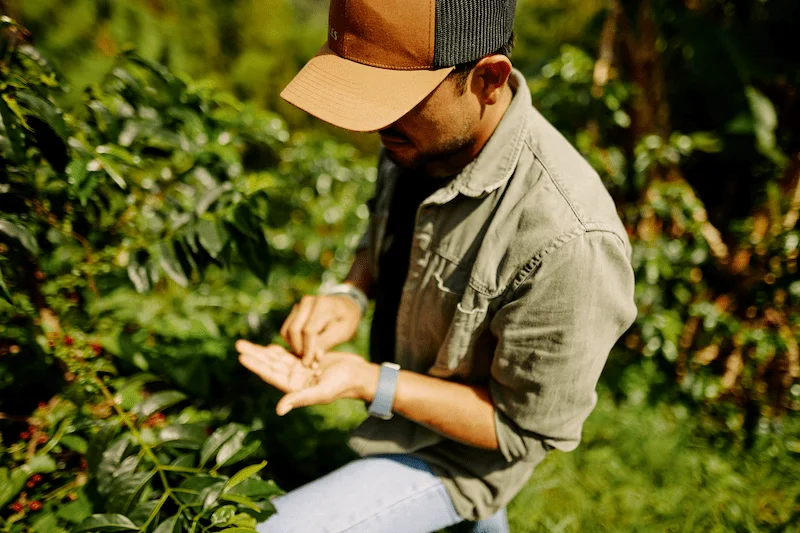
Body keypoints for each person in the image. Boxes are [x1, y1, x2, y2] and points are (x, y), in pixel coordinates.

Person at [235, 1, 637, 531]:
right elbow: (388, 232)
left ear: (488, 78)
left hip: (465, 462)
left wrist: (369, 382)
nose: (372, 122)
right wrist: (350, 292)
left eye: (392, 99)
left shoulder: (570, 239)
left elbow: (524, 429)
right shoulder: (417, 138)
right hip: (402, 416)